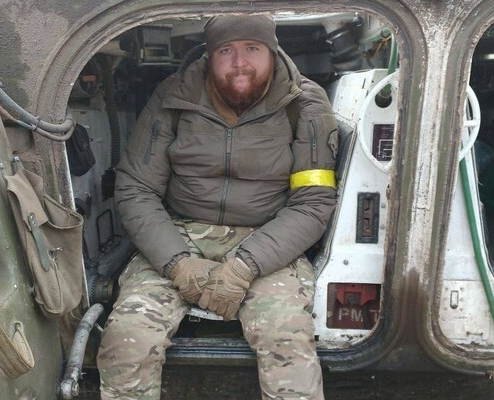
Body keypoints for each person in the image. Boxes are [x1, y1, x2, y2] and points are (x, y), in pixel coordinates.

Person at [97, 14, 338, 400]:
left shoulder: (304, 103)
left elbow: (313, 201)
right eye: (226, 51)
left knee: (287, 339)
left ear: (272, 51)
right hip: (178, 234)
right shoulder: (174, 96)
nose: (240, 63)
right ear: (210, 56)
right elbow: (136, 187)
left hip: (268, 240)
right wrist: (177, 263)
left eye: (252, 48)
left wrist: (245, 265)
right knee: (127, 338)